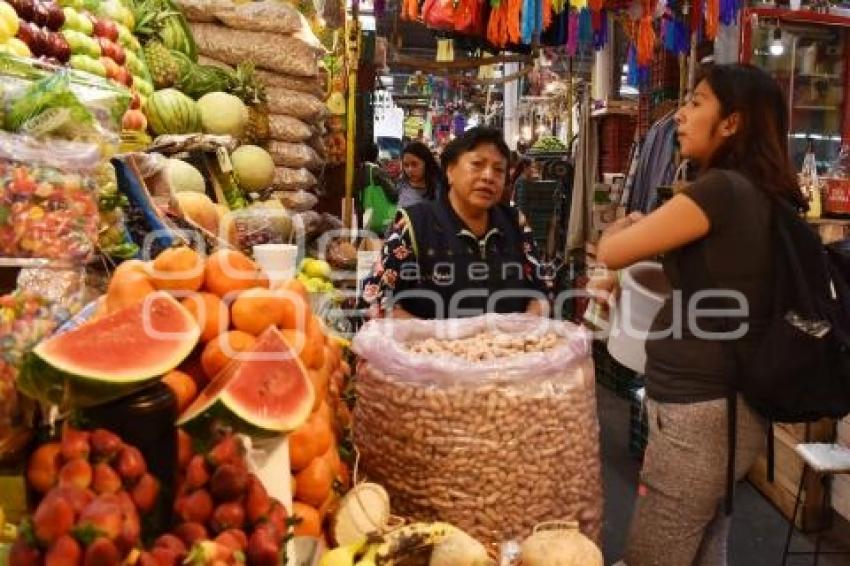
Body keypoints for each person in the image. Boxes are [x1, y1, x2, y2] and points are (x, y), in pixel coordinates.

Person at [591, 64, 805, 565]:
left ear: (731, 123)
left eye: (696, 103)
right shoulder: (762, 196)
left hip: (700, 415)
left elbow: (611, 251)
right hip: (725, 410)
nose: (681, 116)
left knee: (655, 553)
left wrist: (626, 225)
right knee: (705, 549)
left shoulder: (720, 191)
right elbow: (713, 286)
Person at [361, 127, 547, 320]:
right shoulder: (413, 226)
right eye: (477, 164)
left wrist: (524, 329)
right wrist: (438, 340)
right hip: (431, 349)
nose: (488, 176)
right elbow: (374, 299)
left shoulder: (515, 223)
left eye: (499, 170)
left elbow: (542, 290)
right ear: (449, 170)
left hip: (508, 348)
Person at [354, 142, 397, 232]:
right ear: (376, 155)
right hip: (380, 224)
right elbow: (394, 196)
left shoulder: (356, 171)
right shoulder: (376, 171)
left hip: (362, 223)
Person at [396, 142, 445, 208]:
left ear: (426, 163)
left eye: (414, 164)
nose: (409, 170)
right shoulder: (402, 184)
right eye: (406, 165)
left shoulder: (439, 189)